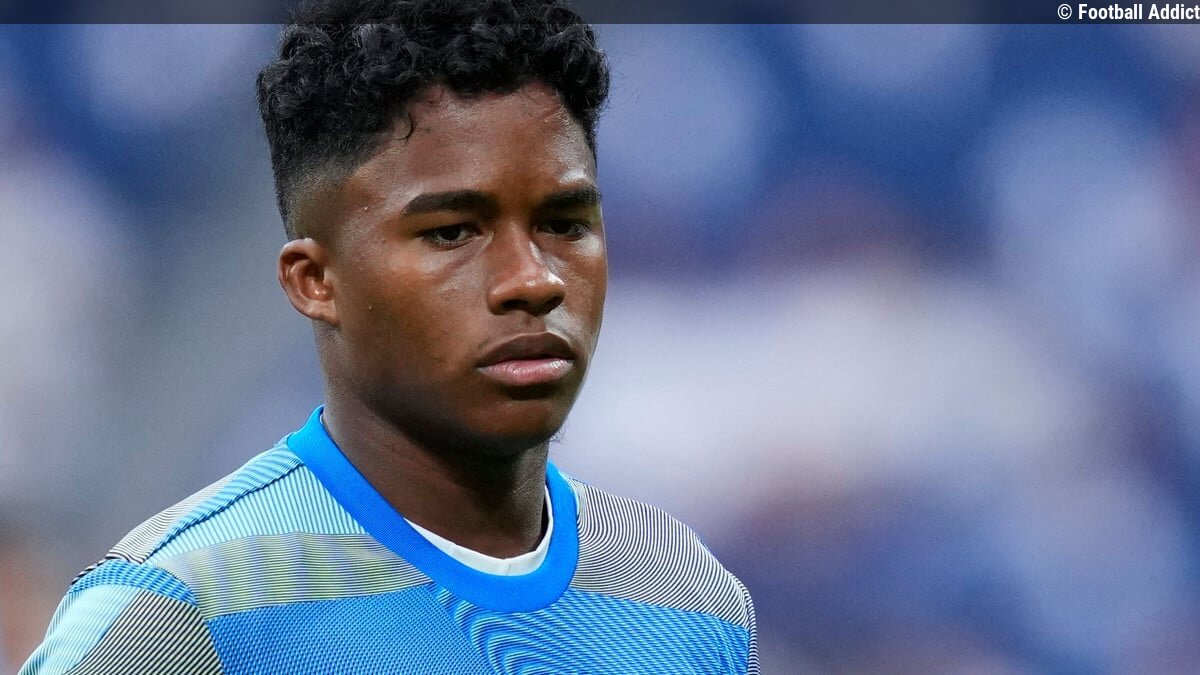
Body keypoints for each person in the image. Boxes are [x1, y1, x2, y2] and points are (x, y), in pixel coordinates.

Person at [21, 0, 758, 672]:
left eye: (564, 224)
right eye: (452, 232)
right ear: (315, 281)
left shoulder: (687, 596)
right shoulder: (180, 613)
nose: (533, 280)